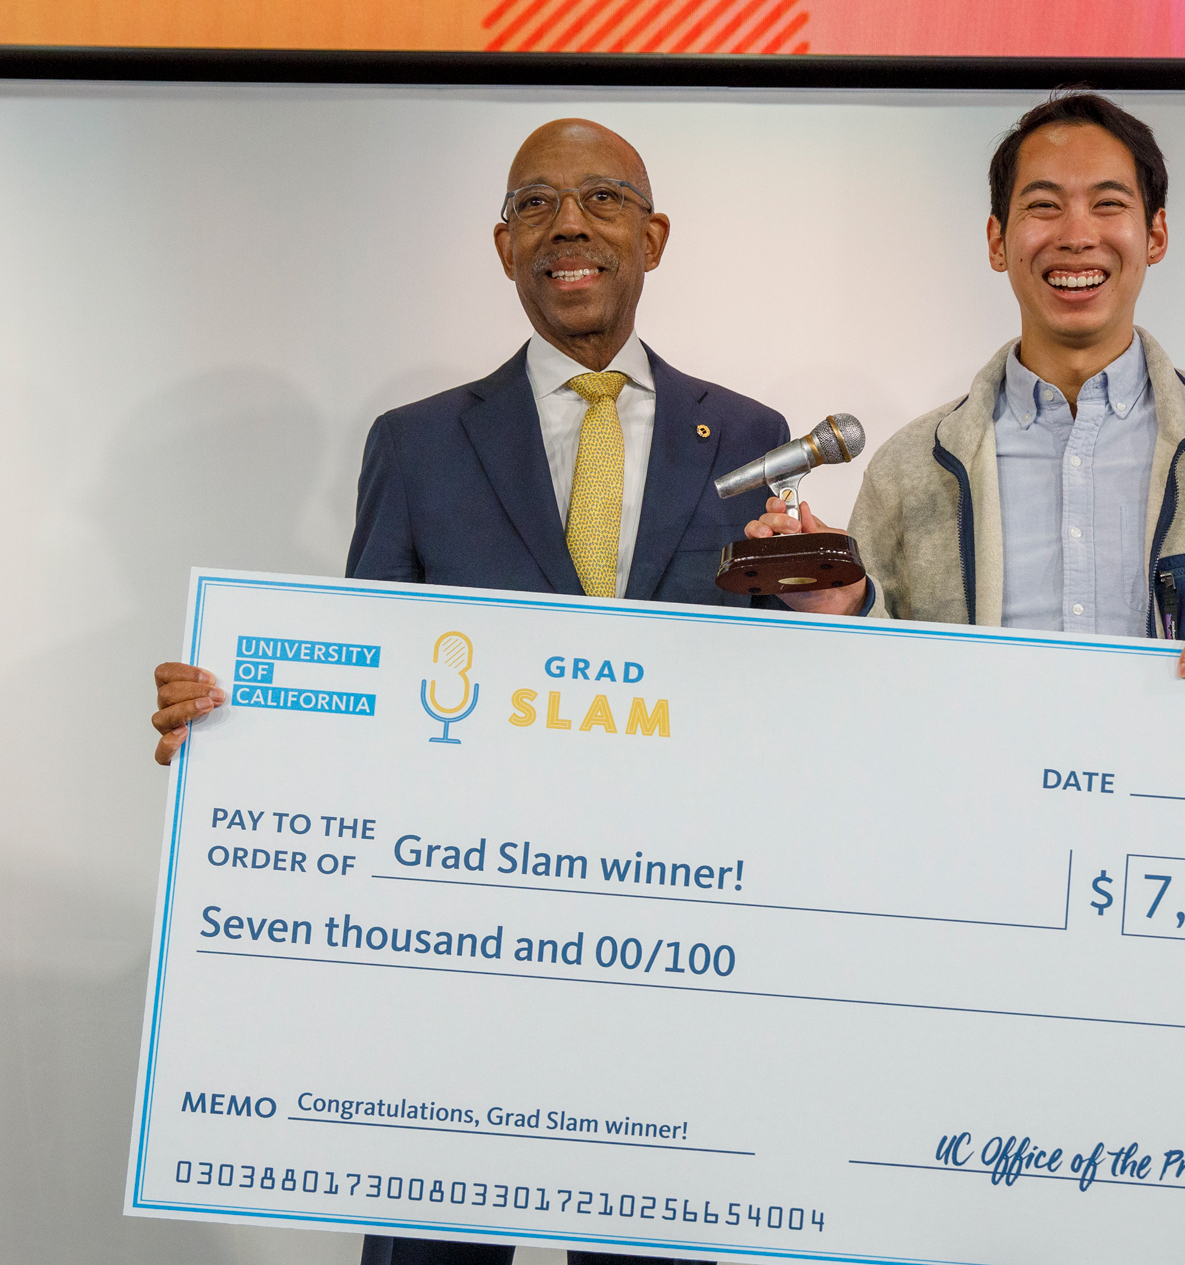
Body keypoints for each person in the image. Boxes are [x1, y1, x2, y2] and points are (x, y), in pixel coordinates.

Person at [151, 118, 776, 1265]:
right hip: (457, 952)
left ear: (655, 233)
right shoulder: (421, 443)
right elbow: (368, 675)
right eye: (536, 204)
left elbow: (791, 693)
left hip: (671, 949)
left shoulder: (747, 439)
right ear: (502, 244)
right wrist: (240, 717)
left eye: (600, 198)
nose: (569, 225)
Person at [747, 92, 1185, 678]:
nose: (1077, 237)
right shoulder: (912, 468)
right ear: (998, 241)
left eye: (1108, 204)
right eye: (1044, 206)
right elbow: (870, 684)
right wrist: (844, 605)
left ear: (1154, 235)